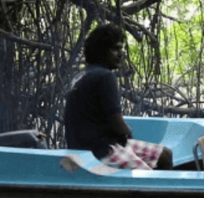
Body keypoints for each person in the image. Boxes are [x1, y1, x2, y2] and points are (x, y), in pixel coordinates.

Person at [65, 24, 173, 170]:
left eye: (121, 49)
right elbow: (117, 124)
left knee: (164, 154)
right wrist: (127, 132)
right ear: (101, 50)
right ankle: (159, 191)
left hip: (91, 146)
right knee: (148, 177)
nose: (121, 54)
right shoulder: (105, 77)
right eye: (115, 49)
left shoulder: (80, 76)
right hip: (100, 151)